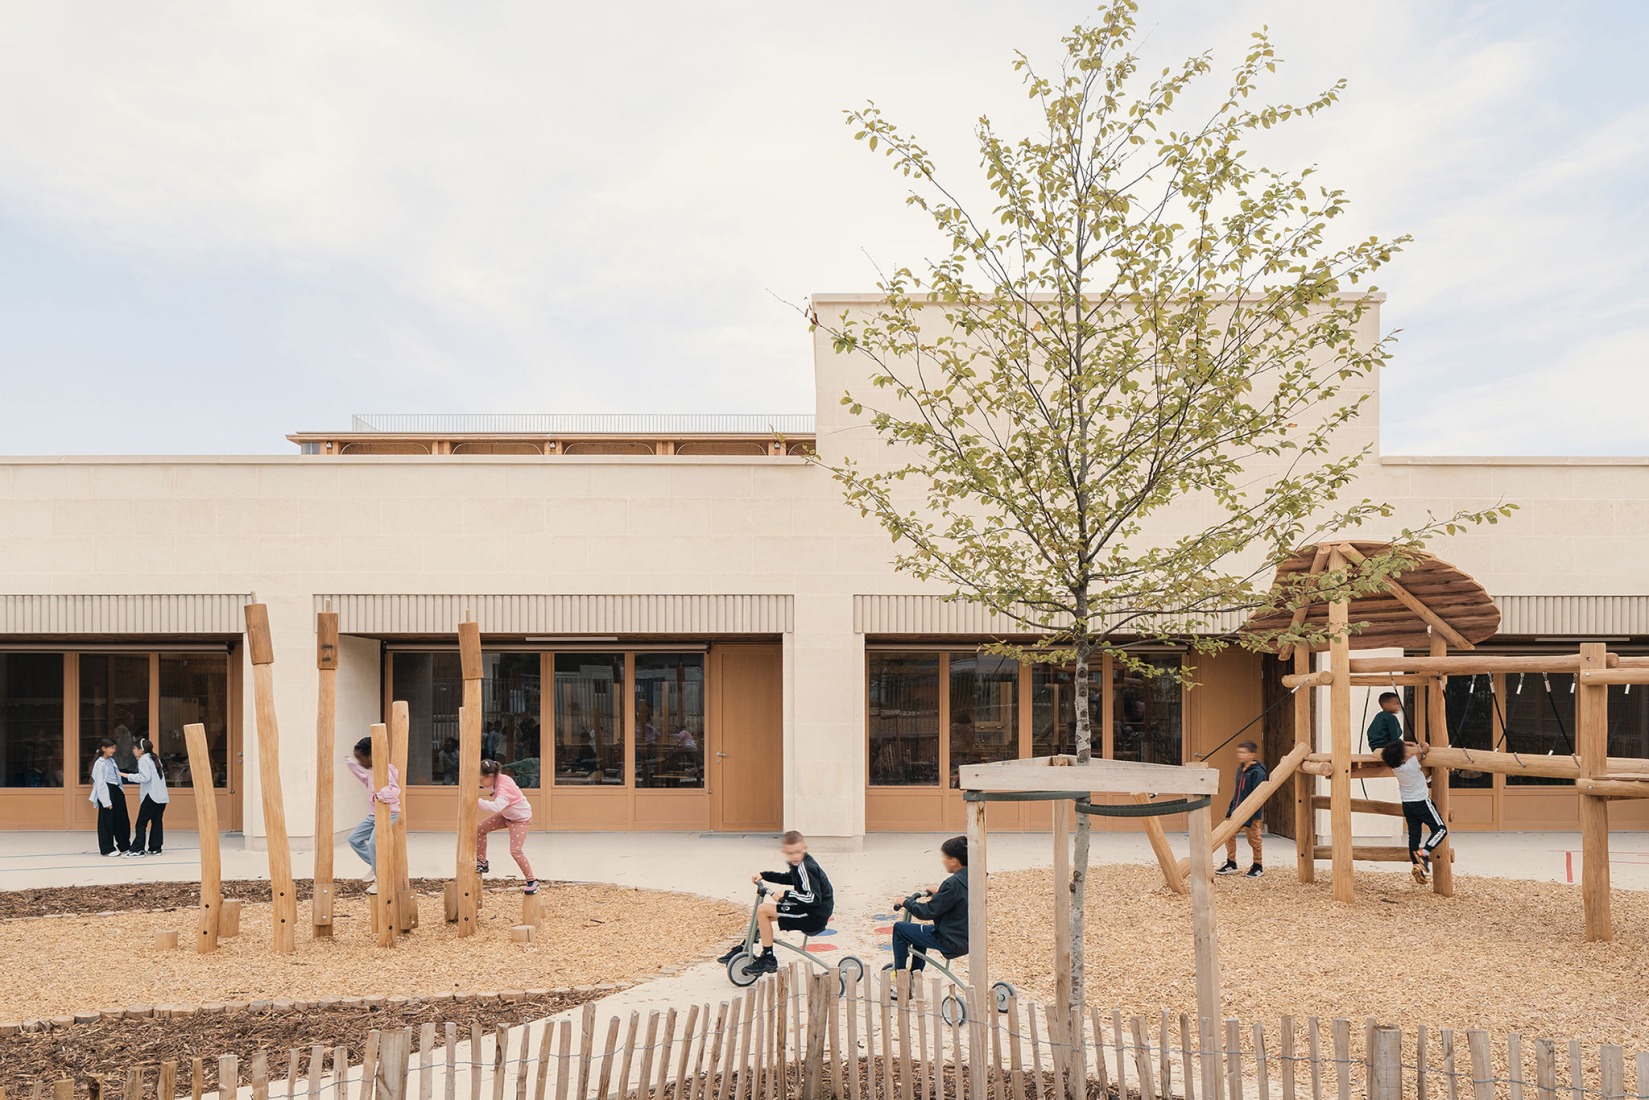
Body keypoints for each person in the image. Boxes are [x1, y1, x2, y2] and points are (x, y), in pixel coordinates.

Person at [717, 830, 835, 974]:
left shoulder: (806, 868)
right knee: (763, 914)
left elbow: (813, 899)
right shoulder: (799, 863)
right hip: (808, 910)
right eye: (790, 853)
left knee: (763, 910)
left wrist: (787, 894)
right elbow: (789, 878)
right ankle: (745, 947)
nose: (794, 856)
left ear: (805, 848)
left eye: (798, 852)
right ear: (785, 852)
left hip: (813, 916)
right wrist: (765, 875)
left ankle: (768, 959)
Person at [890, 835, 969, 974]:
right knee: (918, 932)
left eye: (944, 857)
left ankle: (900, 975)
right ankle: (916, 973)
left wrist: (906, 902)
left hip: (950, 940)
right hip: (966, 937)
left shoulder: (952, 884)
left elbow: (926, 912)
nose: (943, 861)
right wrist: (940, 892)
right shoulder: (974, 877)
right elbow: (961, 896)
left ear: (954, 861)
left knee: (900, 928)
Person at [1380, 740, 1447, 883]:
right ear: (1404, 757)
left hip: (1408, 805)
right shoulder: (1411, 764)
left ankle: (1417, 865)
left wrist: (1403, 746)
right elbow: (1425, 747)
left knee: (1414, 836)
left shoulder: (1396, 768)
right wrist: (1415, 745)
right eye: (1406, 750)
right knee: (1441, 829)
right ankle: (1424, 852)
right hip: (1421, 803)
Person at [344, 735, 400, 893]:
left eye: (361, 759)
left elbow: (395, 790)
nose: (360, 763)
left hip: (388, 813)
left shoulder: (385, 770)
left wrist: (380, 795)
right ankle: (375, 864)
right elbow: (365, 780)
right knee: (354, 839)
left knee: (374, 844)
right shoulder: (371, 771)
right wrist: (352, 766)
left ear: (371, 756)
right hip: (373, 815)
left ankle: (381, 878)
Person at [477, 759, 538, 894]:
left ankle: (532, 881)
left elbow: (496, 807)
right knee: (479, 828)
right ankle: (482, 862)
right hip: (506, 815)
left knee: (515, 851)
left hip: (520, 820)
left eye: (481, 780)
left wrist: (476, 801)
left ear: (490, 776)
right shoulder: (498, 779)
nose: (480, 783)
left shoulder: (504, 787)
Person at [1216, 740, 1268, 877]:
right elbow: (1237, 792)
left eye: (1244, 752)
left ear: (1252, 754)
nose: (1240, 755)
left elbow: (1258, 795)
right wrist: (1231, 809)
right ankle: (1231, 863)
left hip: (1251, 813)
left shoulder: (1257, 772)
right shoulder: (1241, 770)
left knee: (1254, 839)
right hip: (1237, 811)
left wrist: (1251, 812)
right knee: (1228, 834)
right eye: (1239, 752)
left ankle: (1258, 866)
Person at [122, 737, 170, 856]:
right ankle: (155, 847)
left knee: (141, 823)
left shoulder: (143, 760)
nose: (133, 751)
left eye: (134, 748)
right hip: (162, 796)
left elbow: (144, 778)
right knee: (157, 821)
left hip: (151, 796)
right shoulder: (155, 758)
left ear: (141, 750)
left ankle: (137, 849)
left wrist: (127, 776)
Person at [89, 737, 130, 857]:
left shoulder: (111, 761)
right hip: (107, 791)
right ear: (104, 748)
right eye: (111, 748)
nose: (113, 750)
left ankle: (124, 845)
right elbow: (100, 783)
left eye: (114, 748)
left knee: (122, 819)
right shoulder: (99, 763)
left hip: (116, 789)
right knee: (106, 821)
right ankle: (107, 848)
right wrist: (106, 801)